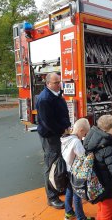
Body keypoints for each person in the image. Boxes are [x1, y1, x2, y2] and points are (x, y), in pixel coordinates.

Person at [36, 72, 71, 209]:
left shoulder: (55, 94)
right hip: (51, 136)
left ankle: (57, 187)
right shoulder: (45, 99)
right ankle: (51, 197)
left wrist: (66, 126)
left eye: (59, 82)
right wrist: (62, 130)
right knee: (51, 165)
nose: (59, 84)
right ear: (48, 83)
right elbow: (47, 122)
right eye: (56, 83)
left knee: (59, 163)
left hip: (59, 133)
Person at [61, 118, 94, 220]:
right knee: (77, 195)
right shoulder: (76, 142)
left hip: (66, 169)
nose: (84, 137)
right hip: (74, 171)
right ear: (81, 131)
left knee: (69, 191)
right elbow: (82, 156)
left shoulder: (66, 138)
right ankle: (81, 217)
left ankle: (69, 212)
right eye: (85, 134)